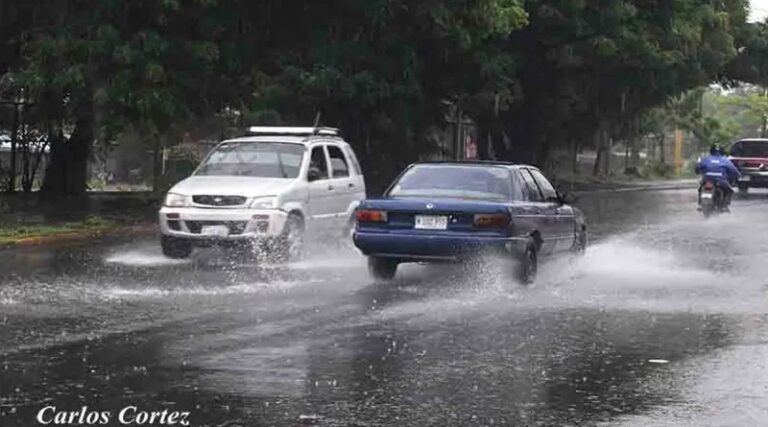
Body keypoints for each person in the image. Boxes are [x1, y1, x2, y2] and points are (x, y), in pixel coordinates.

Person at [695, 144, 740, 212]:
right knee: (729, 191)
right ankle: (724, 206)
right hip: (721, 180)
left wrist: (700, 171)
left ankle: (700, 204)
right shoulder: (725, 160)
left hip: (707, 179)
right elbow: (734, 171)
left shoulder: (706, 159)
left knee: (700, 189)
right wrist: (738, 175)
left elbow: (697, 168)